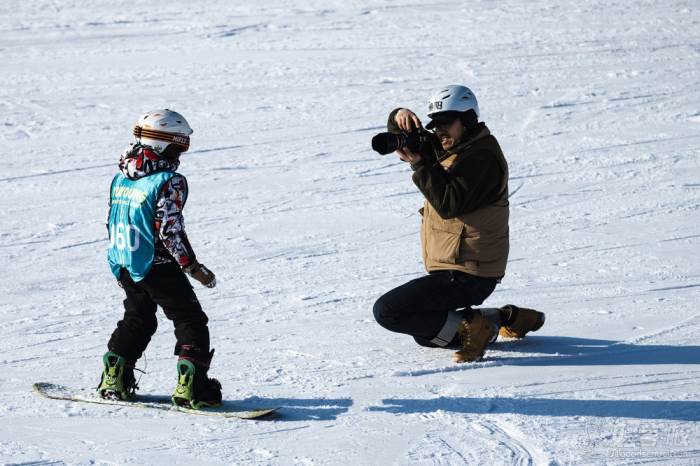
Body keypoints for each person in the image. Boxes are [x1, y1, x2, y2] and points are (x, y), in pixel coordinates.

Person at [372, 85, 545, 363]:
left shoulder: (482, 158)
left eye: (445, 123)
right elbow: (403, 135)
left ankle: (476, 330)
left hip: (471, 273)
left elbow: (450, 204)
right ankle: (501, 318)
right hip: (455, 267)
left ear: (467, 120)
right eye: (434, 124)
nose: (438, 131)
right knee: (426, 329)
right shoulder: (454, 144)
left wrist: (420, 165)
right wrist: (399, 116)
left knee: (390, 311)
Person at [98, 109, 222, 409]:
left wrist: (121, 259)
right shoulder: (169, 181)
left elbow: (113, 219)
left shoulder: (121, 176)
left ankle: (114, 378)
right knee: (189, 318)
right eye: (179, 146)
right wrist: (192, 266)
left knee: (138, 318)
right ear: (163, 144)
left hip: (124, 260)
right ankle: (193, 387)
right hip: (156, 263)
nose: (181, 153)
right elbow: (170, 230)